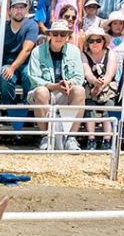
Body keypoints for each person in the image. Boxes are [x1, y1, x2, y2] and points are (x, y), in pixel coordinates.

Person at [28, 19, 85, 150]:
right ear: (50, 35)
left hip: (66, 91)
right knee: (41, 91)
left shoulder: (75, 51)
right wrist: (55, 86)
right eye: (55, 34)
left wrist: (68, 84)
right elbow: (34, 79)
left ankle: (71, 138)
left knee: (80, 90)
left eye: (62, 34)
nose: (59, 37)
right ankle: (45, 138)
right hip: (45, 93)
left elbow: (79, 77)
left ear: (67, 36)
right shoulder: (37, 51)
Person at [0, 0, 38, 106]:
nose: (19, 10)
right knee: (4, 76)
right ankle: (10, 110)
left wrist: (12, 68)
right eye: (16, 7)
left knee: (29, 75)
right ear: (9, 10)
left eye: (22, 7)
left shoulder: (32, 25)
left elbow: (27, 49)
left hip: (26, 64)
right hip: (7, 64)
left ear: (26, 10)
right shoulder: (1, 28)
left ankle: (28, 112)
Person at [79, 25, 118, 149]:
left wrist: (101, 85)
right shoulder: (83, 55)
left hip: (107, 86)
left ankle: (107, 140)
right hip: (90, 86)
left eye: (98, 40)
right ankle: (91, 139)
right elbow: (87, 73)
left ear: (103, 42)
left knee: (109, 106)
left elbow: (110, 73)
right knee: (89, 106)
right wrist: (95, 83)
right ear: (87, 43)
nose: (95, 43)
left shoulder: (111, 53)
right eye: (91, 41)